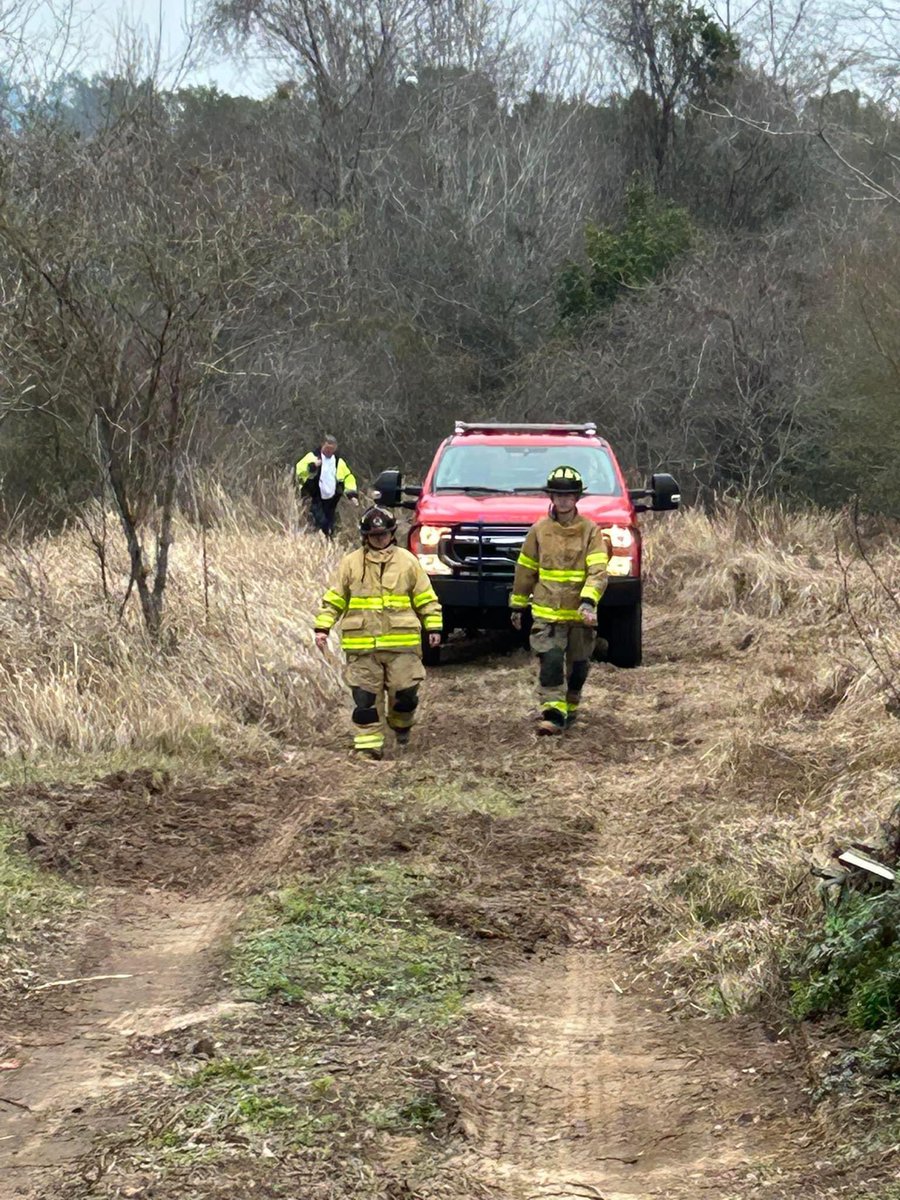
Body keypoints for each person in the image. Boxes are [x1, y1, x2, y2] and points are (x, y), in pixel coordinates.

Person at [314, 506, 443, 760]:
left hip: (402, 646)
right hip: (362, 647)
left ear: (392, 534)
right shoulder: (351, 563)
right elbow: (335, 598)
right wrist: (322, 627)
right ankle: (368, 748)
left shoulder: (408, 561)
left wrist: (433, 626)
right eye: (374, 536)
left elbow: (426, 597)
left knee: (405, 695)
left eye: (383, 534)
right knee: (365, 700)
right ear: (365, 536)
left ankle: (401, 724)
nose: (379, 539)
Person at [509, 466, 611, 736]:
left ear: (576, 498)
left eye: (568, 496)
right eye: (558, 495)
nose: (563, 500)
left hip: (579, 614)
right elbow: (525, 569)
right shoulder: (539, 530)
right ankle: (553, 714)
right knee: (551, 661)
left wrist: (588, 601)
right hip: (548, 613)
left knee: (578, 667)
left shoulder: (590, 531)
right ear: (551, 497)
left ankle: (571, 704)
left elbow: (598, 571)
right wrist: (518, 604)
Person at [295, 435, 359, 537]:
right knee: (319, 524)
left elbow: (348, 477)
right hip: (313, 498)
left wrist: (352, 495)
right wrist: (312, 466)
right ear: (322, 445)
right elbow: (299, 471)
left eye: (332, 449)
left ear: (335, 448)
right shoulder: (312, 457)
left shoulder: (338, 462)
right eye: (327, 448)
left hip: (331, 500)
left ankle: (329, 543)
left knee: (333, 527)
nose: (329, 451)